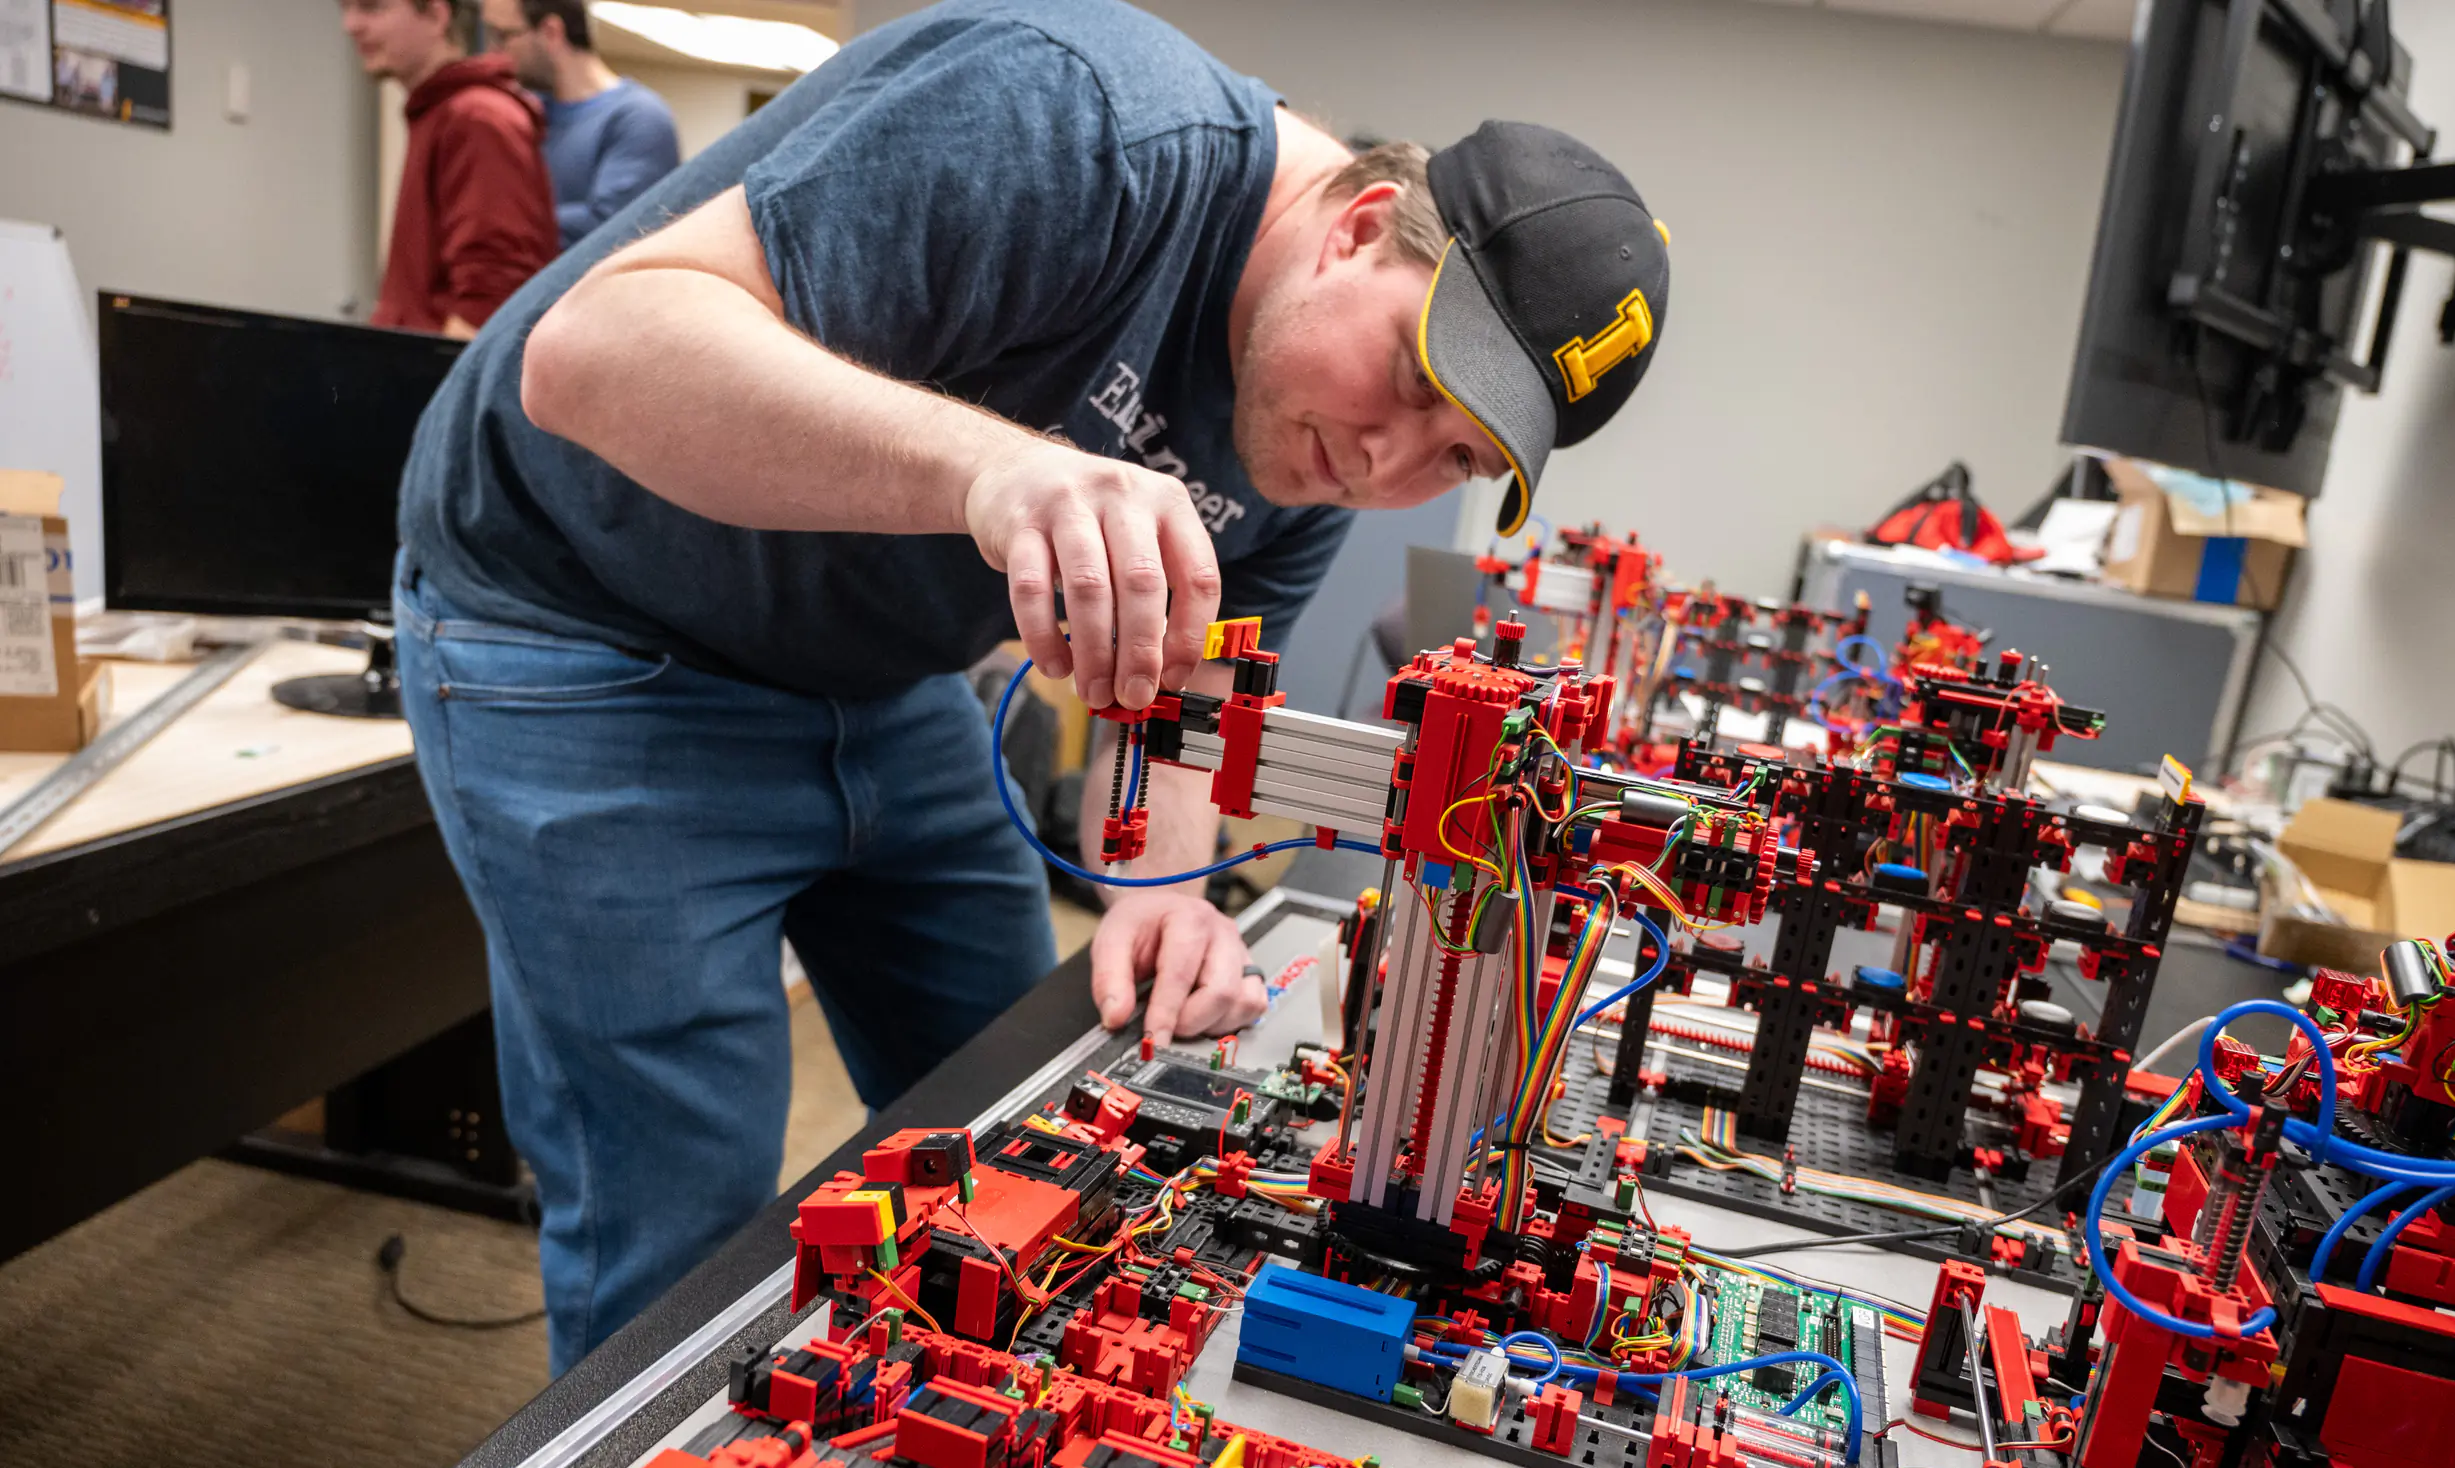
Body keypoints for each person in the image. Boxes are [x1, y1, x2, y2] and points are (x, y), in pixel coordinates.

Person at [396, 0, 1670, 1373]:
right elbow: (587, 357)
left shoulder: (1309, 447)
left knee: (1028, 1104)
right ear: (1360, 222)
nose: (1386, 466)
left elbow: (1178, 691)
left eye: (1459, 460)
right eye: (1418, 376)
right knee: (687, 1222)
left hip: (878, 675)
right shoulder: (1079, 123)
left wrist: (1163, 892)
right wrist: (988, 471)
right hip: (585, 625)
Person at [343, 0, 559, 336]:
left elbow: (491, 296)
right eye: (345, 8)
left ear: (436, 15)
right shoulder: (439, 113)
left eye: (372, 7)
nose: (351, 24)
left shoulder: (478, 118)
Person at [483, 0, 682, 247]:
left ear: (551, 32)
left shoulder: (639, 118)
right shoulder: (529, 114)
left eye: (503, 36)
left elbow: (613, 227)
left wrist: (492, 220)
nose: (493, 52)